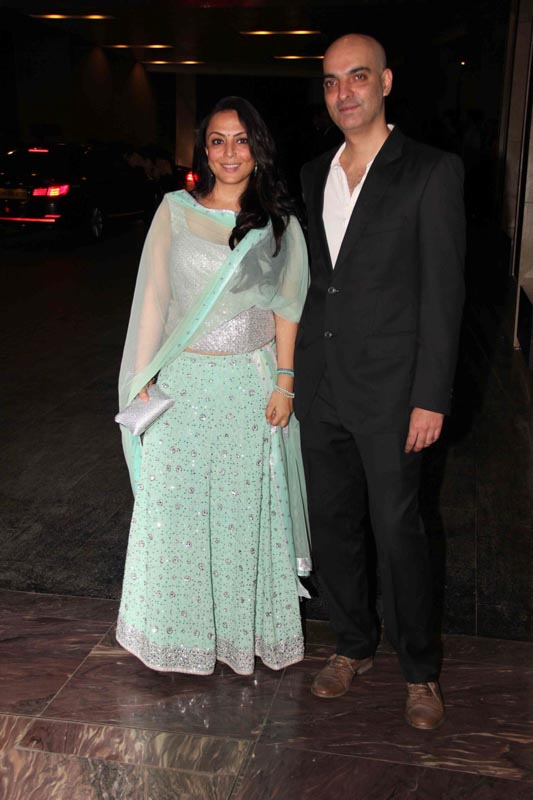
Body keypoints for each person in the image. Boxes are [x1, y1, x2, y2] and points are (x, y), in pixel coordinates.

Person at [294, 34, 465, 729]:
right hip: (321, 385)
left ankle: (419, 670)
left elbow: (443, 294)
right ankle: (352, 644)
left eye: (357, 77)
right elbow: (315, 284)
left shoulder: (430, 170)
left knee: (398, 531)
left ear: (386, 82)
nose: (344, 93)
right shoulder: (314, 173)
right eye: (331, 81)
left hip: (394, 392)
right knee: (333, 525)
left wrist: (430, 396)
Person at [116, 96, 311, 676]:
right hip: (184, 384)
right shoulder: (174, 211)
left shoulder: (278, 223)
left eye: (242, 140)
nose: (230, 152)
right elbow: (153, 297)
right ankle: (175, 635)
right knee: (175, 511)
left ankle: (240, 635)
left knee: (239, 514)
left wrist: (284, 383)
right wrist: (143, 378)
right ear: (204, 150)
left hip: (250, 387)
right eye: (218, 141)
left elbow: (288, 308)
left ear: (259, 148)